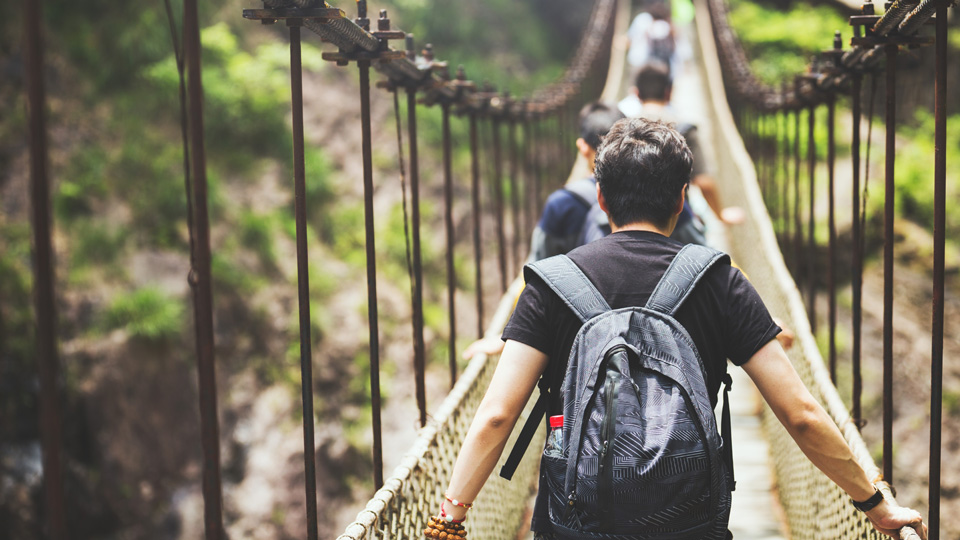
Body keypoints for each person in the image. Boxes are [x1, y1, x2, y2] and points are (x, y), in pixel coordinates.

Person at [431, 118, 926, 539]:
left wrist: (450, 519)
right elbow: (801, 415)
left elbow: (497, 416)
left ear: (601, 198)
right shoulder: (718, 280)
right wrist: (874, 504)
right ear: (682, 199)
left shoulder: (552, 282)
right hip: (688, 519)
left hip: (574, 519)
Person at [619, 61, 745, 235]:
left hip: (628, 221)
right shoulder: (684, 130)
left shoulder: (621, 129)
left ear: (636, 93)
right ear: (669, 92)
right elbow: (704, 182)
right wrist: (721, 216)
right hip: (676, 224)